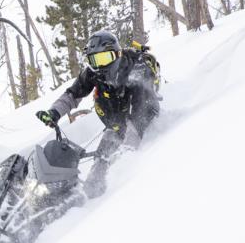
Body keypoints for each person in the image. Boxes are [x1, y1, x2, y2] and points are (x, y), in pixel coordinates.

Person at [35, 30, 160, 197]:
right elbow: (72, 94)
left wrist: (123, 157)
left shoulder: (135, 70)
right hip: (116, 123)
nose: (100, 66)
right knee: (100, 161)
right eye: (95, 60)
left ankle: (121, 190)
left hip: (143, 117)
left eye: (104, 58)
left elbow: (136, 125)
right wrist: (54, 112)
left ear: (116, 54)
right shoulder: (93, 73)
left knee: (122, 153)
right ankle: (87, 199)